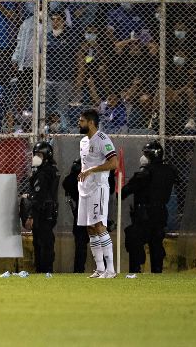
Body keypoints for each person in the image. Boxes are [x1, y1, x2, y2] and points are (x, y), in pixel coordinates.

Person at [121, 141, 178, 274]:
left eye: (145, 154)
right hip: (161, 212)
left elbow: (126, 190)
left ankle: (136, 270)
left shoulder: (145, 172)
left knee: (134, 239)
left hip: (145, 213)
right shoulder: (170, 170)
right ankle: (157, 272)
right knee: (156, 243)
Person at [77, 108, 118, 278]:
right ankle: (100, 268)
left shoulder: (103, 139)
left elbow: (114, 163)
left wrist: (92, 170)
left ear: (91, 123)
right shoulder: (82, 142)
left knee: (99, 225)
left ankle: (111, 269)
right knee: (90, 227)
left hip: (98, 188)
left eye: (82, 121)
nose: (79, 124)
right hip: (84, 189)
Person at [23, 141, 59, 274]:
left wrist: (31, 215)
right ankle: (42, 270)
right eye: (35, 154)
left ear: (47, 156)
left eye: (39, 154)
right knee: (39, 242)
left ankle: (45, 271)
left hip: (43, 212)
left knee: (44, 244)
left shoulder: (44, 173)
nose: (36, 157)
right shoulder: (48, 170)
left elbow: (39, 196)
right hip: (46, 211)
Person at [62, 157, 89, 273]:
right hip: (81, 210)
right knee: (80, 243)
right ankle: (79, 270)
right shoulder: (75, 180)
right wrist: (76, 172)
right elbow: (66, 183)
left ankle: (103, 268)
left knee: (98, 240)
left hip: (94, 209)